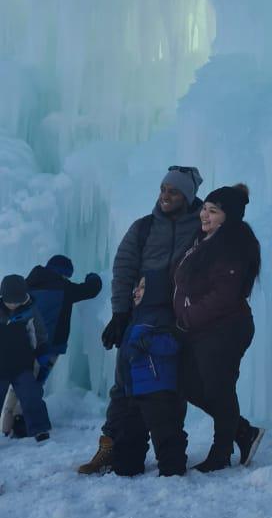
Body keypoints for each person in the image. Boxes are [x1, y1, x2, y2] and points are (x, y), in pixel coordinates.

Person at [77, 166, 203, 475]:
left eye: (173, 191)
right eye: (163, 189)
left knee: (168, 389)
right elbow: (124, 269)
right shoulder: (143, 228)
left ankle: (171, 453)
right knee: (125, 385)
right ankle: (115, 447)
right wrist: (120, 314)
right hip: (140, 317)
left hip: (178, 319)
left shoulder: (201, 226)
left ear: (187, 196)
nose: (165, 195)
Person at [174, 183, 264, 472]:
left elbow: (223, 296)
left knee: (219, 389)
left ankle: (221, 453)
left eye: (213, 211)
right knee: (191, 384)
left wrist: (188, 315)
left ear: (229, 216)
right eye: (204, 208)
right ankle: (243, 431)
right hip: (204, 330)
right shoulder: (203, 241)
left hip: (226, 328)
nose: (204, 215)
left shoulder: (233, 245)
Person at [111, 271, 188, 477]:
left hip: (157, 387)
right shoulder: (136, 317)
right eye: (137, 286)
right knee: (130, 431)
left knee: (165, 431)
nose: (136, 291)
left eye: (143, 286)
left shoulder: (163, 315)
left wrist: (148, 343)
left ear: (156, 291)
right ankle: (127, 465)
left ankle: (173, 469)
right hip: (135, 388)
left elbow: (174, 344)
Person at [25, 255, 102, 371]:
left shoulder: (28, 286)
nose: (67, 279)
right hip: (48, 346)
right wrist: (93, 277)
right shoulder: (64, 289)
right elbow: (91, 289)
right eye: (67, 276)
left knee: (22, 381)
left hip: (24, 343)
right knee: (32, 383)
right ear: (61, 273)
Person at [0, 274, 53, 442]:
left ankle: (40, 430)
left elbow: (40, 334)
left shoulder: (30, 310)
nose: (14, 304)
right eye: (10, 300)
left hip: (22, 364)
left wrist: (43, 352)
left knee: (31, 396)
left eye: (17, 300)